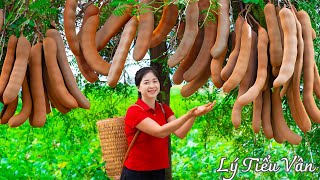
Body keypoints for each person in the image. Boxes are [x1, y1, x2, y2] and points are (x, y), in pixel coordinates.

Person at [121, 67, 215, 180]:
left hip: (158, 171)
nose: (152, 86)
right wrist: (188, 115)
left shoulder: (163, 109)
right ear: (138, 88)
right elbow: (159, 132)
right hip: (136, 173)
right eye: (146, 82)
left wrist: (194, 115)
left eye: (155, 81)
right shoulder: (134, 111)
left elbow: (180, 133)